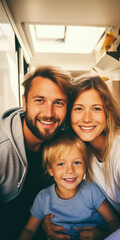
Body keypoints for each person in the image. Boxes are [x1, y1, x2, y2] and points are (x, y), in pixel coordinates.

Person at [43, 75, 120, 240]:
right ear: (69, 114)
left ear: (108, 112)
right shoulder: (83, 148)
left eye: (96, 108)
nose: (87, 118)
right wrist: (48, 220)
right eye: (78, 108)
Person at [0, 65, 73, 240]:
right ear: (24, 102)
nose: (49, 113)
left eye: (59, 103)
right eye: (40, 100)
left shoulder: (62, 142)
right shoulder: (2, 149)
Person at [19, 131, 119, 240]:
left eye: (77, 162)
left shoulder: (91, 191)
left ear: (85, 165)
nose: (70, 170)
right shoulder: (43, 198)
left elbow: (113, 221)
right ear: (50, 170)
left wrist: (103, 235)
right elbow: (29, 230)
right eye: (61, 164)